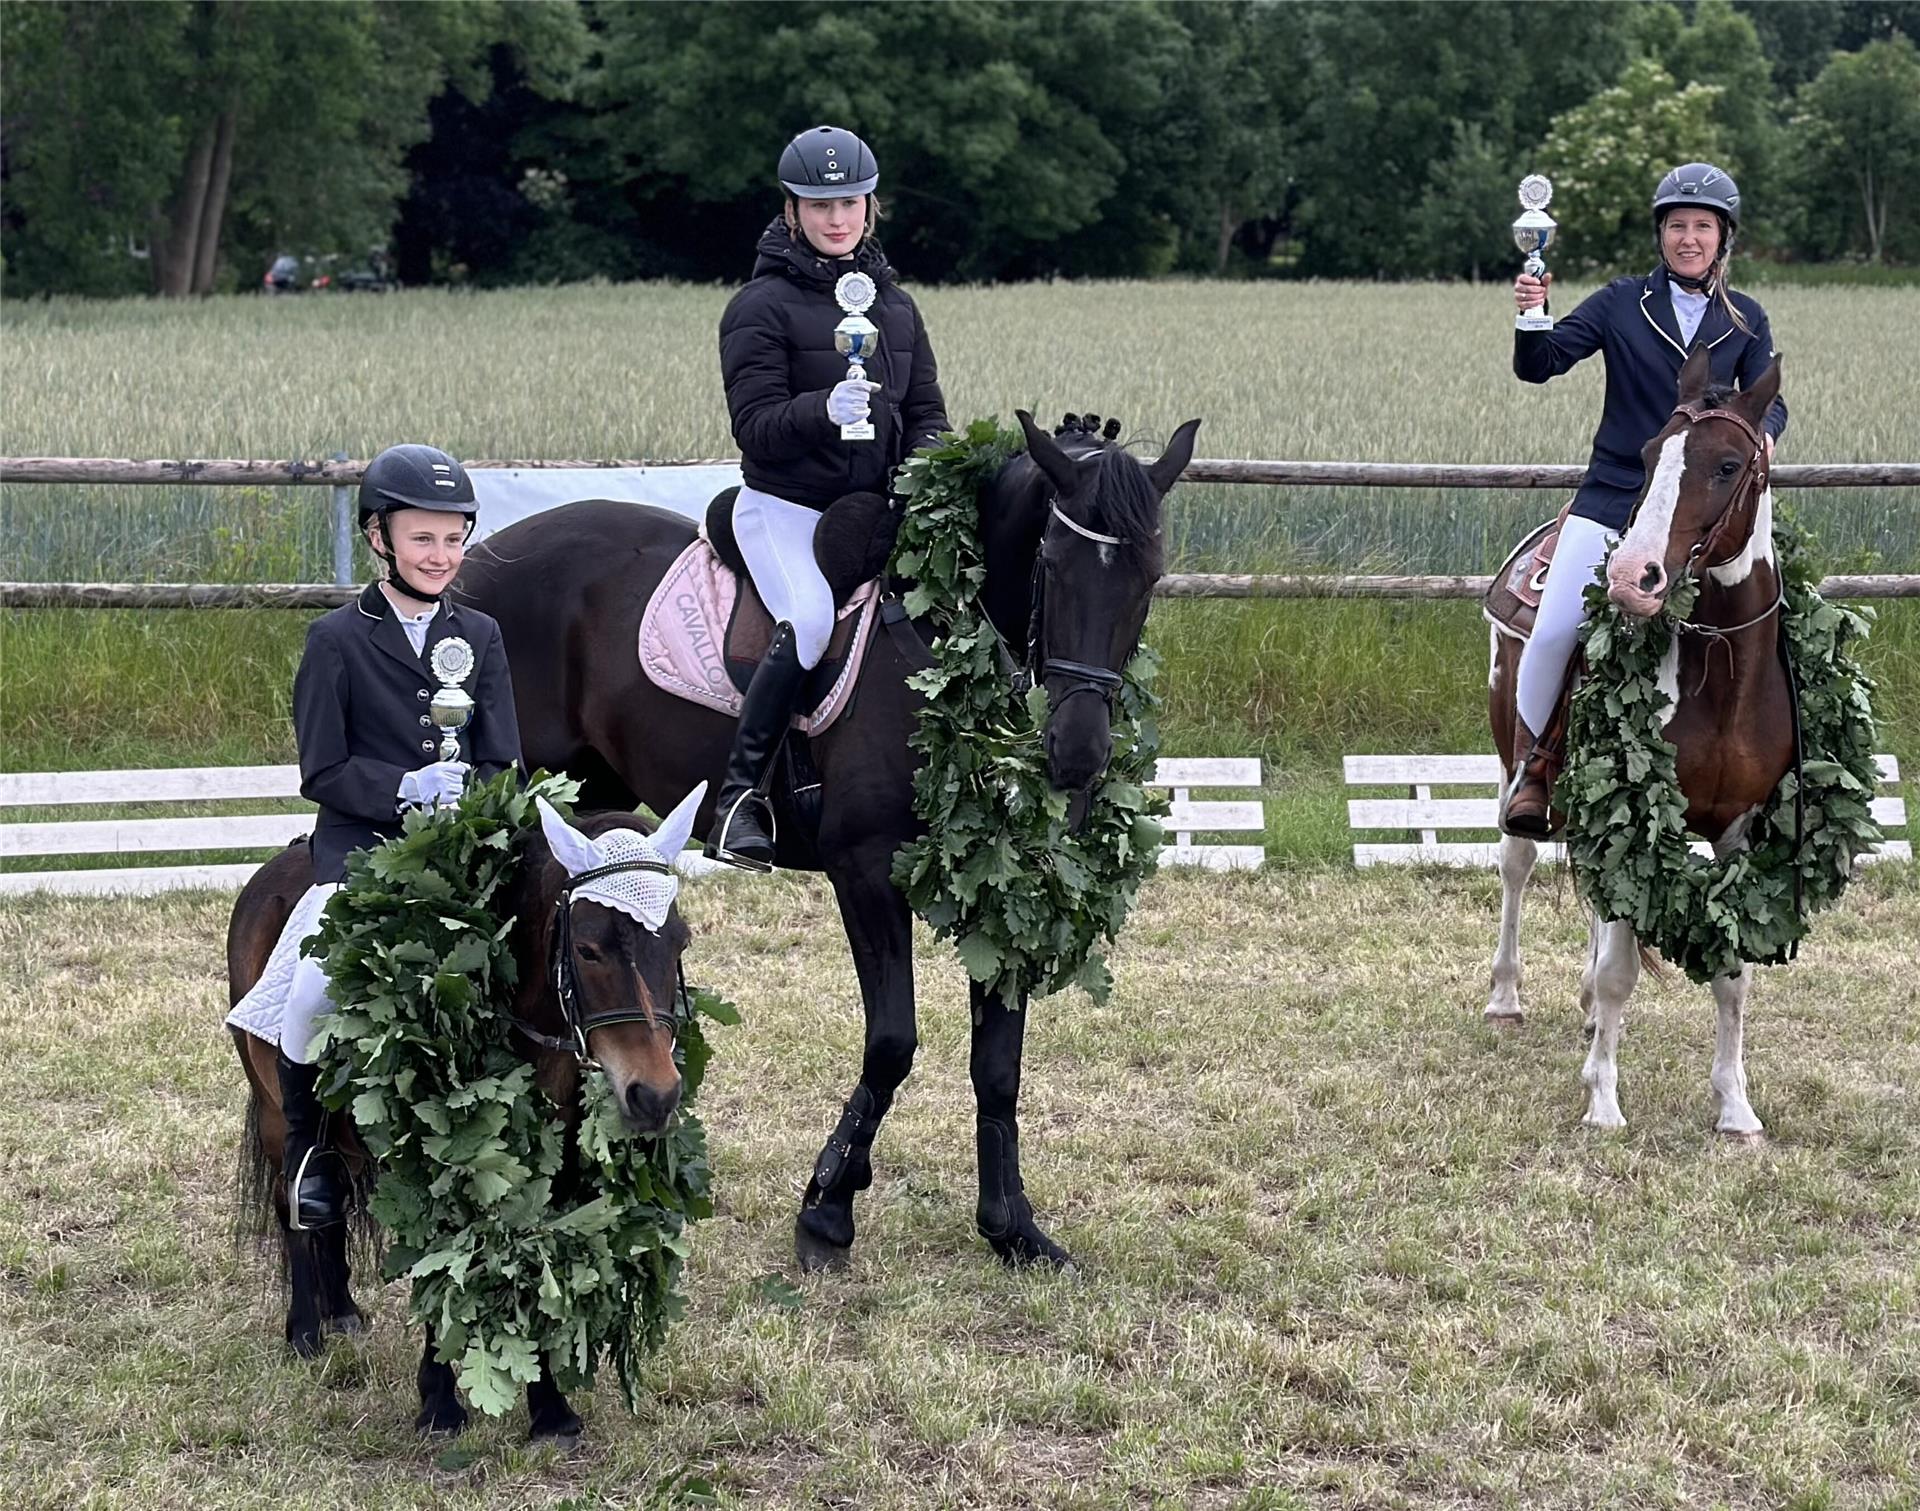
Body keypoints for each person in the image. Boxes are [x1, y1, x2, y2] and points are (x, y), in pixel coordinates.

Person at [226, 444, 522, 1229]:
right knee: (313, 991)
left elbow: (505, 759)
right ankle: (311, 1155)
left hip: (464, 855)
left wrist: (477, 799)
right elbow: (322, 770)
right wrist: (405, 788)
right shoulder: (336, 640)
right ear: (379, 538)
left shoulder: (482, 635)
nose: (441, 555)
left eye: (454, 538)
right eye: (423, 539)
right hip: (360, 850)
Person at [1502, 161, 1787, 835]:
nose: (1689, 238)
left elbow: (1767, 402)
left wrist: (1768, 437)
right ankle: (1535, 769)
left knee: (1784, 629)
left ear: (1723, 238)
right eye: (1677, 226)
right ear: (1661, 235)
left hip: (1710, 516)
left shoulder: (1746, 318)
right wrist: (1533, 312)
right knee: (1553, 633)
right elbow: (1538, 367)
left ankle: (1788, 772)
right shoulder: (1619, 303)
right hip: (1615, 500)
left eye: (1703, 227)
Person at [705, 124, 951, 870]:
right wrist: (823, 410)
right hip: (784, 508)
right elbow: (755, 427)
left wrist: (929, 471)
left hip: (872, 512)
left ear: (870, 206)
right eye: (819, 204)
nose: (836, 218)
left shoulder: (896, 308)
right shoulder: (759, 306)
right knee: (809, 618)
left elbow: (929, 415)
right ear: (792, 210)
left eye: (849, 202)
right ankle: (739, 798)